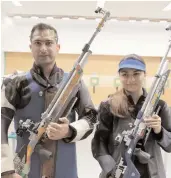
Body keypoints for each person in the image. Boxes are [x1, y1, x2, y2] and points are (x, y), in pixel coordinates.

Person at [1, 23, 97, 178]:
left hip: (65, 170)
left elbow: (91, 117)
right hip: (25, 172)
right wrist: (6, 170)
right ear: (30, 47)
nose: (43, 48)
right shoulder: (14, 83)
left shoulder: (74, 82)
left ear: (58, 47)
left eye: (49, 43)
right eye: (38, 43)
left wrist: (69, 130)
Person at [91, 54, 171, 178]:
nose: (130, 80)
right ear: (119, 76)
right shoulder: (108, 105)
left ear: (145, 74)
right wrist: (111, 169)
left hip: (151, 173)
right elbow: (99, 142)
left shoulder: (159, 106)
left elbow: (169, 146)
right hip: (118, 172)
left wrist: (160, 131)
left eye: (136, 74)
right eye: (125, 74)